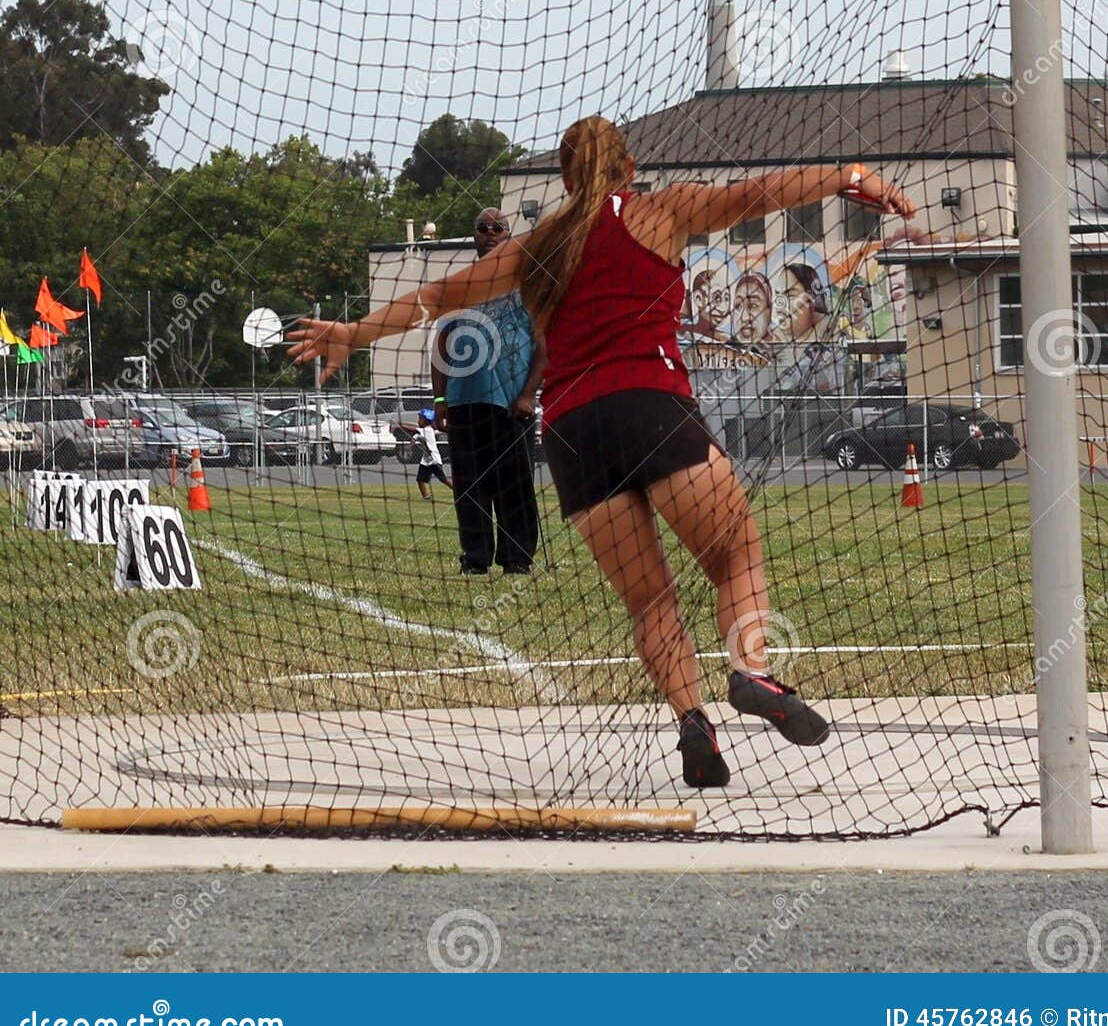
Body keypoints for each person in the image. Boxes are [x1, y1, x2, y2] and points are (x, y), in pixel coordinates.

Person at [288, 122, 912, 789]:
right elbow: (760, 192)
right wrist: (850, 176)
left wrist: (353, 333)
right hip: (649, 406)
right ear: (629, 166)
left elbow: (440, 297)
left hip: (571, 434)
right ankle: (751, 671)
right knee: (735, 553)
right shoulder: (660, 209)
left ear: (563, 178)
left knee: (651, 603)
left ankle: (692, 721)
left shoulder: (536, 245)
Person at [431, 208, 543, 575]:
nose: (490, 233)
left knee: (515, 485)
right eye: (482, 228)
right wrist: (439, 400)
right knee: (471, 487)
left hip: (512, 404)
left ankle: (517, 559)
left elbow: (545, 346)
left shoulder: (527, 284)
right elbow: (441, 347)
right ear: (474, 236)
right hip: (465, 402)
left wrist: (528, 394)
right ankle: (475, 560)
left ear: (509, 235)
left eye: (498, 228)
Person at [409, 408, 453, 501]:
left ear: (427, 421)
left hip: (433, 459)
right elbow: (416, 437)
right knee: (420, 480)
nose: (418, 421)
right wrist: (411, 444)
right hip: (426, 460)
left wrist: (398, 426)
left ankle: (459, 492)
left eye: (420, 418)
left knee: (444, 479)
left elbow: (414, 430)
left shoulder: (428, 430)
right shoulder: (422, 431)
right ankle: (426, 497)